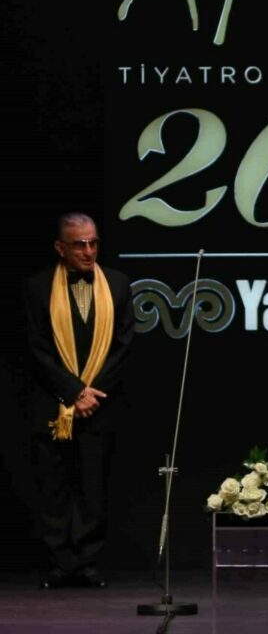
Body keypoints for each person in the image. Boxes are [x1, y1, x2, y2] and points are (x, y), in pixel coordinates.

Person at [23, 212, 134, 589]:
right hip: (53, 404)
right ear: (60, 247)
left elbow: (123, 346)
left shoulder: (118, 283)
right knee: (53, 487)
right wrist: (73, 392)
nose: (88, 251)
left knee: (92, 487)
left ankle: (87, 563)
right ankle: (60, 563)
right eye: (79, 244)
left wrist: (91, 394)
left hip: (100, 404)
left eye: (93, 243)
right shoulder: (37, 287)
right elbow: (37, 349)